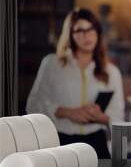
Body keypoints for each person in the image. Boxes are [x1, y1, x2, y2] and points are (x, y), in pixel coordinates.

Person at [26, 8, 125, 158]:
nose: (87, 35)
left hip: (97, 143)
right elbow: (32, 105)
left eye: (91, 29)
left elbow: (119, 118)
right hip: (60, 142)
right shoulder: (51, 64)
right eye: (80, 30)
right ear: (70, 35)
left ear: (98, 32)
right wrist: (67, 112)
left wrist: (102, 117)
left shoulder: (111, 72)